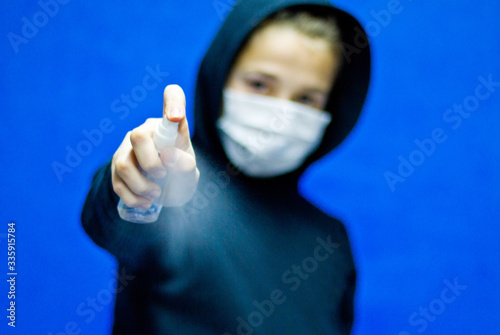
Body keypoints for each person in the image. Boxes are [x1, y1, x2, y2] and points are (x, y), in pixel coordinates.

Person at [81, 0, 371, 334]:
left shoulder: (330, 242)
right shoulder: (175, 198)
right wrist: (138, 179)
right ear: (219, 77)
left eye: (306, 99)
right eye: (259, 84)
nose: (281, 112)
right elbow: (113, 220)